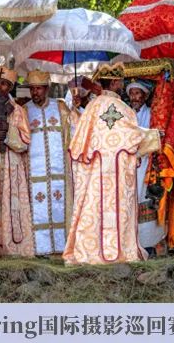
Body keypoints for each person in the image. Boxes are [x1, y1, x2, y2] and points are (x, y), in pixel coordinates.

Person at [63, 63, 162, 265]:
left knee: (94, 209)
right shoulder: (123, 109)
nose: (121, 84)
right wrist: (154, 136)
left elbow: (78, 142)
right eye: (121, 81)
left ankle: (90, 251)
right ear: (116, 82)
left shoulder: (92, 108)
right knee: (119, 210)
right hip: (118, 173)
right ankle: (122, 251)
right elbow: (133, 137)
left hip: (95, 172)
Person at [0, 65, 35, 257]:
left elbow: (25, 141)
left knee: (12, 204)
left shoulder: (18, 111)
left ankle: (14, 246)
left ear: (10, 87)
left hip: (12, 164)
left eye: (4, 84)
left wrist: (9, 133)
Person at [24, 69, 74, 256]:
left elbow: (72, 132)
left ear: (47, 89)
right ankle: (40, 248)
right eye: (32, 89)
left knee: (60, 205)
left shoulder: (60, 107)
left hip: (59, 170)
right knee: (38, 208)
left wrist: (75, 110)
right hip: (34, 171)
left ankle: (62, 246)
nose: (35, 92)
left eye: (39, 88)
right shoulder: (24, 110)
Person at [125, 79, 166, 255]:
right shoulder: (124, 114)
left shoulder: (152, 114)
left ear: (145, 95)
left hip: (147, 166)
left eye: (137, 93)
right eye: (131, 94)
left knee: (146, 201)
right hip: (128, 166)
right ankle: (129, 243)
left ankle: (148, 243)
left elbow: (156, 136)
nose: (134, 97)